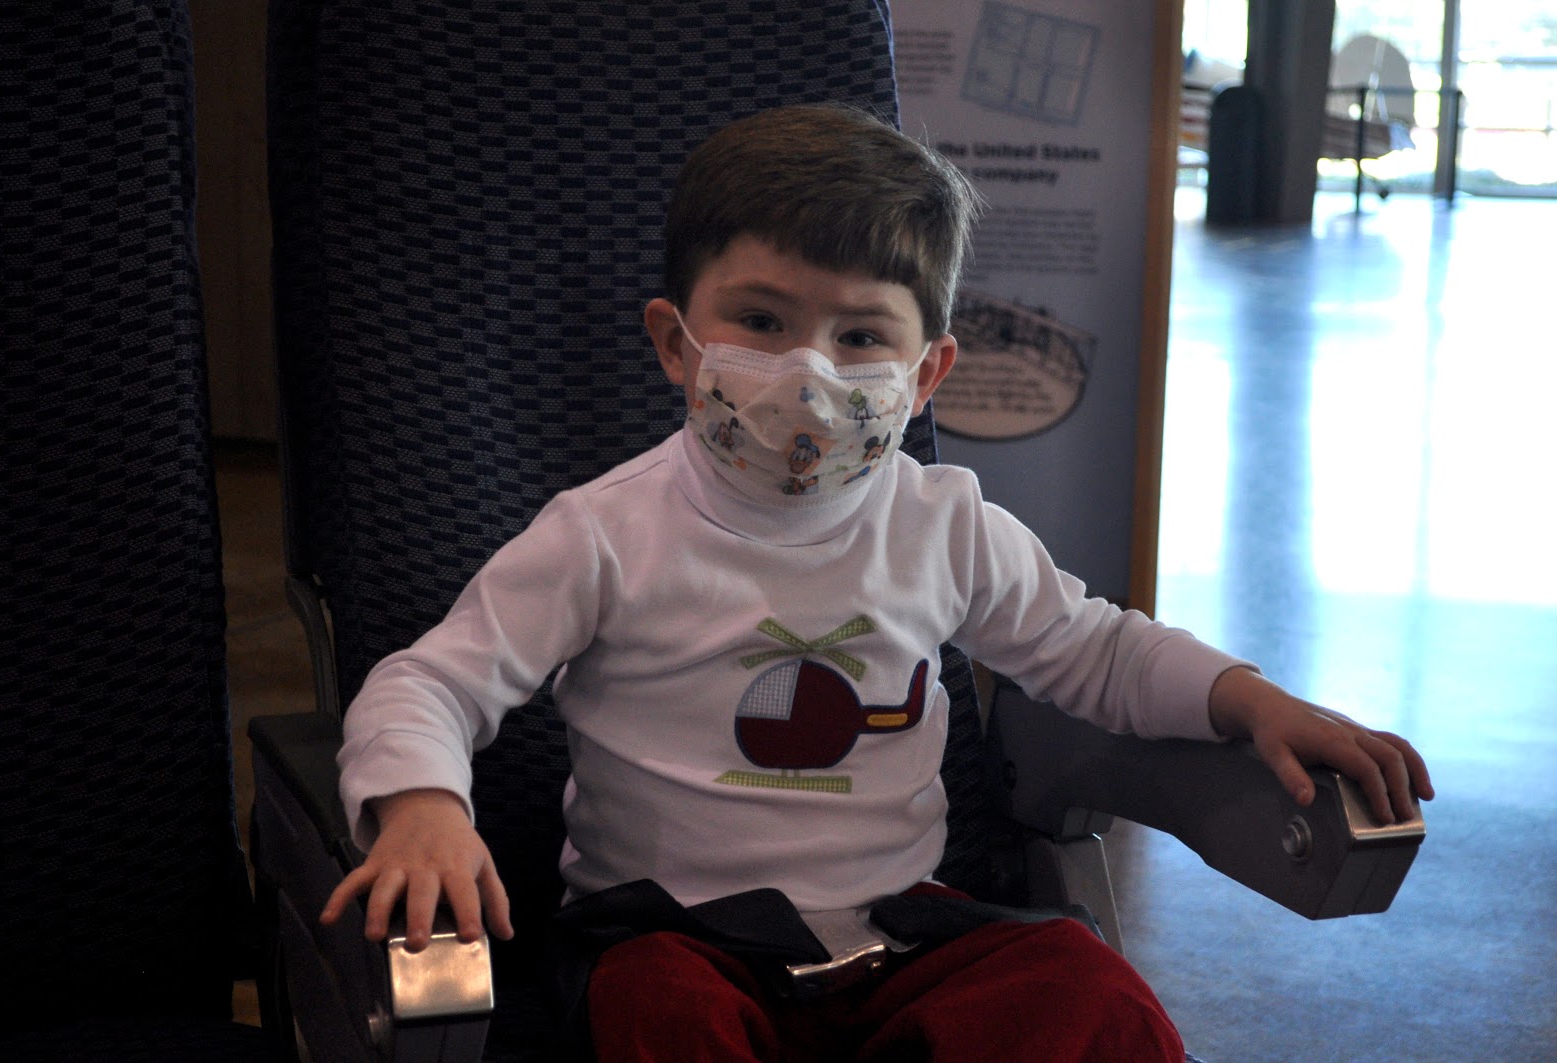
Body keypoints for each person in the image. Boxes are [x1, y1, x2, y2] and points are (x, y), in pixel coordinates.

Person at [322, 104, 1432, 1062]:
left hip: (899, 937)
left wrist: (1250, 698)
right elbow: (429, 684)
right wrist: (421, 810)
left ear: (926, 372)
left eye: (861, 335)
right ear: (675, 343)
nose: (810, 371)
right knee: (660, 1014)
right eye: (761, 321)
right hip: (671, 937)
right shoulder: (604, 534)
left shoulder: (941, 523)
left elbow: (1097, 650)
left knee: (1086, 994)